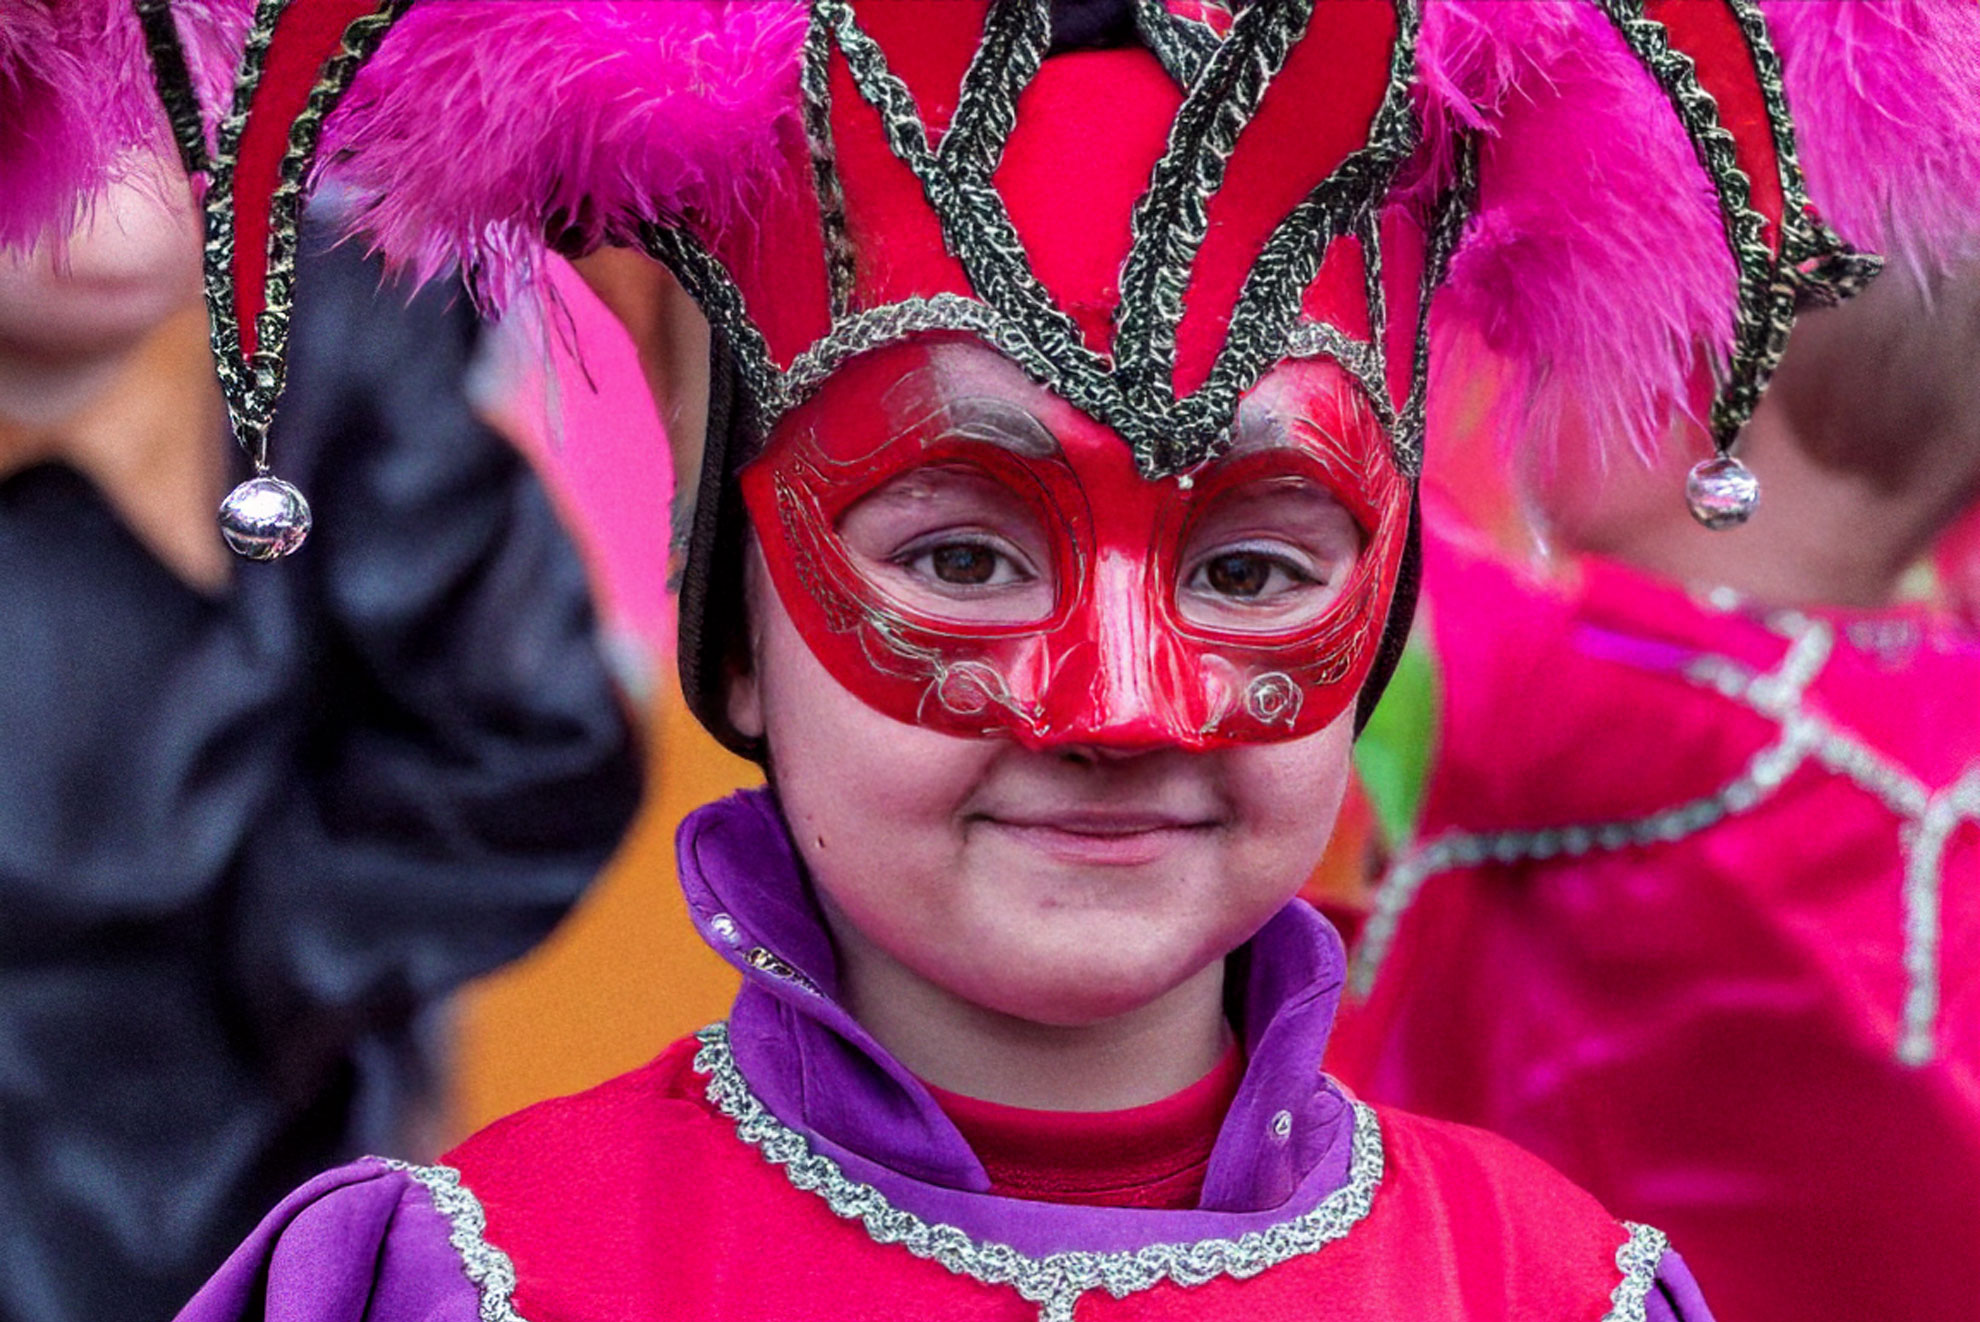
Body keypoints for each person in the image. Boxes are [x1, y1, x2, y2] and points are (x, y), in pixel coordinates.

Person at [23, 1, 1959, 1318]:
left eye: (1257, 565)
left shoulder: (1548, 1289)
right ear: (746, 628)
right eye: (955, 550)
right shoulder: (467, 1279)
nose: (1121, 703)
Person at [0, 127, 644, 1322]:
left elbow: (532, 746)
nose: (112, 194)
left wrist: (280, 971)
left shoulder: (332, 334)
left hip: (218, 1116)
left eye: (169, 108)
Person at [1332, 252, 1980, 1321]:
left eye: (1563, 327)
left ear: (1693, 387)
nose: (1513, 358)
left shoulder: (1630, 700)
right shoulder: (1945, 693)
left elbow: (1324, 513)